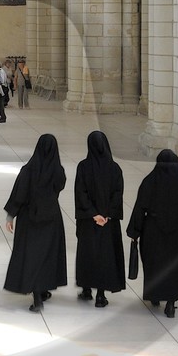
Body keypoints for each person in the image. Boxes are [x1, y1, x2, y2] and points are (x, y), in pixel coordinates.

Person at [127, 149, 178, 318]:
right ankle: (171, 303)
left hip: (153, 231)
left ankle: (156, 295)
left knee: (155, 264)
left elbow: (140, 208)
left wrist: (135, 231)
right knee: (175, 266)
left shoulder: (149, 182)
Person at [3, 134, 68, 312]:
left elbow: (19, 195)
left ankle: (37, 295)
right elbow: (60, 186)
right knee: (47, 254)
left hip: (29, 219)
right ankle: (44, 289)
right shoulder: (58, 171)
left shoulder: (28, 170)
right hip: (51, 218)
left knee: (31, 255)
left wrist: (10, 217)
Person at [73, 131, 125, 307]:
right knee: (105, 255)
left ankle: (87, 288)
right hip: (108, 223)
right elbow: (118, 194)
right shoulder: (115, 168)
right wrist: (107, 214)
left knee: (88, 254)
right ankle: (101, 295)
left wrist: (93, 214)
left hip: (89, 221)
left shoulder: (83, 167)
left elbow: (81, 193)